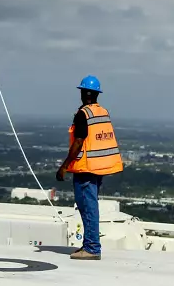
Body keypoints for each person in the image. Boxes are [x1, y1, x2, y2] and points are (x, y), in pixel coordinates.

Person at [56, 75, 123, 260]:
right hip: (99, 167)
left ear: (83, 93)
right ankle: (89, 245)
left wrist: (64, 166)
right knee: (90, 206)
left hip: (86, 168)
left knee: (88, 207)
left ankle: (92, 248)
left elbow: (78, 142)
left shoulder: (83, 114)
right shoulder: (102, 111)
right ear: (96, 94)